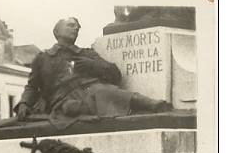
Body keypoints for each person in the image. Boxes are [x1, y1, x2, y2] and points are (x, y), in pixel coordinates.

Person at [15, 17, 172, 126]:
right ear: (57, 31)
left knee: (105, 90)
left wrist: (91, 65)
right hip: (62, 98)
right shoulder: (43, 58)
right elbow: (32, 86)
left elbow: (115, 74)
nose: (76, 28)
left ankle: (153, 105)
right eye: (71, 25)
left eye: (77, 26)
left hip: (91, 91)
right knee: (82, 102)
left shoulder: (86, 53)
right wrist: (23, 104)